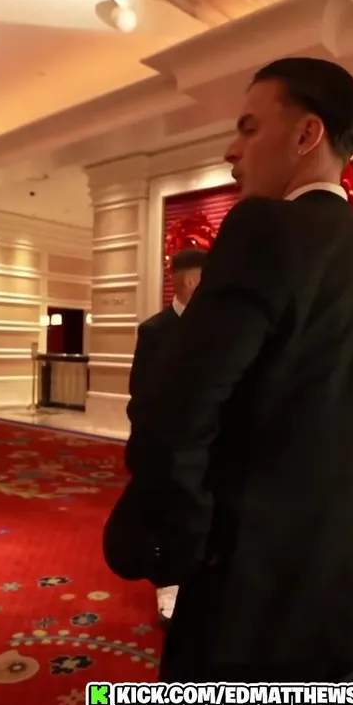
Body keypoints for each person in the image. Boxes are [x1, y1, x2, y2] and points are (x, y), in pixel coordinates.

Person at [109, 56, 353, 705]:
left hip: (247, 602)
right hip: (343, 601)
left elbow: (175, 413)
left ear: (307, 134)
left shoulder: (263, 228)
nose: (233, 149)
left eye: (249, 128)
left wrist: (189, 546)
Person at [126, 248, 208, 628]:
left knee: (201, 514)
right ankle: (169, 585)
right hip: (168, 444)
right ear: (191, 281)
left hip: (208, 441)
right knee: (169, 515)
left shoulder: (217, 327)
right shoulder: (155, 330)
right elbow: (140, 393)